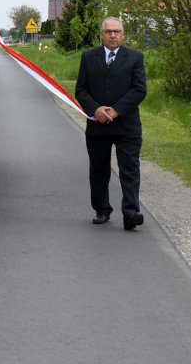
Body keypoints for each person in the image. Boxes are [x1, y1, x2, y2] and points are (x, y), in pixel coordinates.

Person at [75, 17, 148, 231]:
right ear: (102, 34)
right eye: (108, 31)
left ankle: (131, 213)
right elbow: (81, 90)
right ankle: (102, 209)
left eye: (117, 31)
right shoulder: (89, 58)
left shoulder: (135, 58)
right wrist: (96, 109)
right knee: (99, 169)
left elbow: (139, 89)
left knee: (130, 169)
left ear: (123, 34)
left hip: (127, 125)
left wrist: (115, 111)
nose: (113, 35)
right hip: (98, 125)